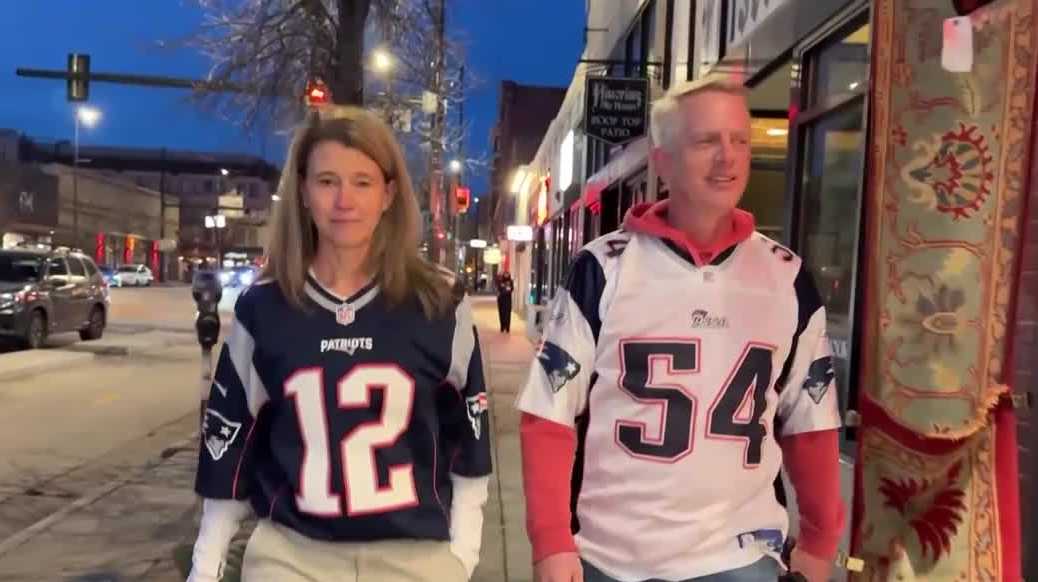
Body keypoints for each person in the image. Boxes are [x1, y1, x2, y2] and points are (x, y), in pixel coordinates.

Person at [516, 76, 845, 582]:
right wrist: (551, 542)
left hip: (742, 558)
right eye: (706, 141)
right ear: (663, 161)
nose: (727, 157)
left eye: (739, 140)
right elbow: (548, 415)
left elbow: (811, 420)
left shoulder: (786, 277)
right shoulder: (604, 268)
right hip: (613, 559)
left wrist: (821, 540)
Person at [186, 106, 492, 582]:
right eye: (327, 181)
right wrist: (205, 568)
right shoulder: (264, 308)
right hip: (291, 556)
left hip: (414, 559)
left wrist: (463, 554)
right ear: (303, 191)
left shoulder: (439, 302)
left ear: (389, 194)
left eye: (362, 182)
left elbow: (469, 443)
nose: (344, 200)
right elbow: (232, 443)